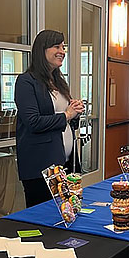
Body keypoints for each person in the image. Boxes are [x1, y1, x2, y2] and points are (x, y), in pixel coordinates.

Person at [14, 30, 85, 208]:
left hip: (65, 164)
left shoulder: (59, 82)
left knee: (67, 213)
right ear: (42, 50)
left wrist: (75, 113)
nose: (62, 51)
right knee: (44, 218)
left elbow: (67, 122)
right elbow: (33, 122)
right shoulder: (26, 82)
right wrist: (66, 114)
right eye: (57, 46)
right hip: (41, 167)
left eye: (63, 47)